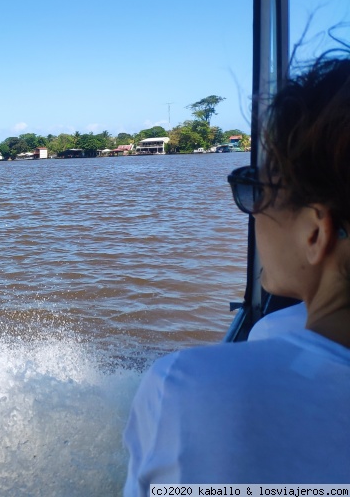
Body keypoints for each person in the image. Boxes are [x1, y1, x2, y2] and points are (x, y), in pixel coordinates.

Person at [123, 54, 350, 494]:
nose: (249, 213)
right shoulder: (278, 329)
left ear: (315, 232)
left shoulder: (190, 389)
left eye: (256, 189)